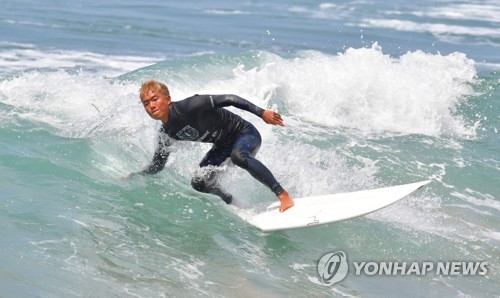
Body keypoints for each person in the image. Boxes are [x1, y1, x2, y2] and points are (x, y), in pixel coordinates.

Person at [125, 80, 294, 212]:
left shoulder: (189, 106)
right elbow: (158, 165)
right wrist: (136, 174)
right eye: (146, 103)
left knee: (239, 156)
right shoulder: (167, 133)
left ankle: (282, 194)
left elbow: (230, 99)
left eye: (155, 99)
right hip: (222, 145)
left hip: (244, 133)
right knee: (199, 181)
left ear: (168, 100)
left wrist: (262, 113)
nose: (151, 106)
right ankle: (231, 201)